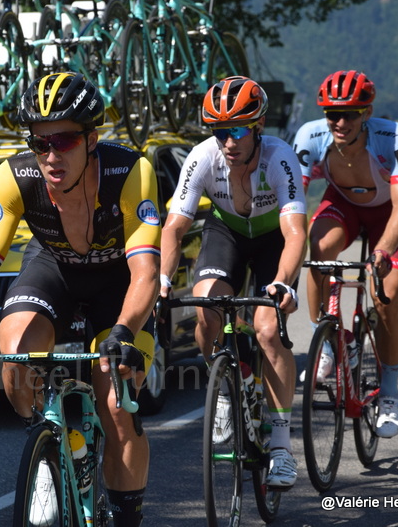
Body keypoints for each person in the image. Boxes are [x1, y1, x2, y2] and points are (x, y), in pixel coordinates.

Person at [0, 72, 159, 526]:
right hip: (53, 270)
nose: (51, 155)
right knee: (14, 355)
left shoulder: (131, 172)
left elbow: (146, 272)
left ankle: (126, 517)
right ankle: (47, 446)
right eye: (40, 143)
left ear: (92, 138)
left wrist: (122, 333)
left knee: (116, 407)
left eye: (64, 141)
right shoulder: (14, 176)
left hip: (118, 286)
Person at [160, 76, 307, 489]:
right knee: (206, 309)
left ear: (258, 127)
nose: (229, 141)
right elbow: (174, 228)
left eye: (238, 130)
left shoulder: (279, 158)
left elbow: (295, 233)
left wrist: (281, 283)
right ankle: (225, 388)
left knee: (267, 330)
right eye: (221, 131)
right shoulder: (203, 157)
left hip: (270, 239)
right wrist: (162, 281)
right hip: (225, 235)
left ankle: (280, 447)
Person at [293, 70, 398, 438]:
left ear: (367, 112)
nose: (340, 122)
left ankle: (390, 392)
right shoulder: (311, 136)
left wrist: (383, 250)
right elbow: (295, 200)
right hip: (344, 205)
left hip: (388, 215)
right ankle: (327, 338)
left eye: (350, 114)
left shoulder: (394, 136)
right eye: (333, 114)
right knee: (319, 250)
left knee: (385, 298)